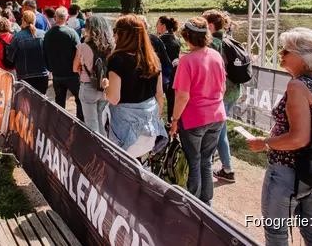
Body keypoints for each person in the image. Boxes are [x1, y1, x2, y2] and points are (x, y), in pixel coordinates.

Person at [246, 27, 312, 245]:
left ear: (302, 56)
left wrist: (264, 143)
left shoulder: (298, 85)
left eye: (286, 51)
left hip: (288, 171)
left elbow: (298, 138)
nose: (281, 54)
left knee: (276, 234)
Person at [170, 17, 226, 207]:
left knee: (194, 161)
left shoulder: (186, 62)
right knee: (206, 161)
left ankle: (193, 203)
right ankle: (207, 202)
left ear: (187, 38)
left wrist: (175, 119)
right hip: (217, 115)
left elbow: (182, 97)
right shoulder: (216, 55)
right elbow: (222, 88)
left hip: (195, 118)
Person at [101, 15, 166, 158]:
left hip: (125, 127)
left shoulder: (117, 59)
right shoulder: (152, 58)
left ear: (122, 34)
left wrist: (106, 86)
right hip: (148, 125)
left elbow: (114, 98)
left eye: (115, 31)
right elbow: (159, 94)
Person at [202, 9, 239, 184]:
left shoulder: (213, 43)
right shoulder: (228, 40)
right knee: (220, 128)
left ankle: (227, 169)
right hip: (233, 90)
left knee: (218, 130)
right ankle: (225, 167)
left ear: (210, 25)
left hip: (220, 92)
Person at [73, 15, 113, 136]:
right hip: (106, 87)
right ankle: (105, 147)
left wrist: (82, 68)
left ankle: (96, 151)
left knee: (91, 124)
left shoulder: (82, 47)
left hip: (88, 86)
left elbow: (74, 68)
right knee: (101, 121)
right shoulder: (112, 47)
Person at [44, 7, 84, 121]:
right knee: (78, 99)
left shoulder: (48, 34)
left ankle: (60, 121)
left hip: (57, 73)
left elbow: (45, 53)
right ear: (66, 17)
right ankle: (80, 121)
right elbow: (79, 51)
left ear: (56, 17)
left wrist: (50, 68)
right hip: (72, 72)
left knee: (59, 100)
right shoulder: (71, 33)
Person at [9, 11, 49, 94]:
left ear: (23, 21)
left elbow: (11, 57)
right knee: (40, 101)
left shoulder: (17, 37)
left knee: (26, 103)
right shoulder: (43, 34)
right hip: (42, 73)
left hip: (24, 74)